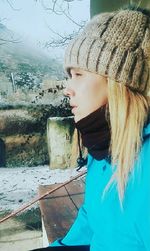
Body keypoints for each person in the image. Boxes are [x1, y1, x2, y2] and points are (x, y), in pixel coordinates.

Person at [35, 3, 150, 251]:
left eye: (78, 74)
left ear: (117, 81)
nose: (67, 88)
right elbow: (91, 224)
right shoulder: (103, 151)